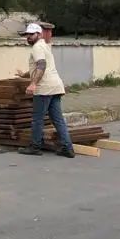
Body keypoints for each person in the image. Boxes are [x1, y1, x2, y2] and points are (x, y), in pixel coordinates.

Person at [15, 22, 75, 159]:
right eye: (27, 34)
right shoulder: (45, 46)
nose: (28, 37)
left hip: (44, 88)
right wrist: (25, 75)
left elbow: (41, 65)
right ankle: (67, 148)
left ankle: (35, 147)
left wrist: (33, 84)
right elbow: (40, 67)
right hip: (55, 86)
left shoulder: (37, 47)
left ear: (39, 34)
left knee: (37, 119)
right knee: (58, 120)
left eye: (31, 34)